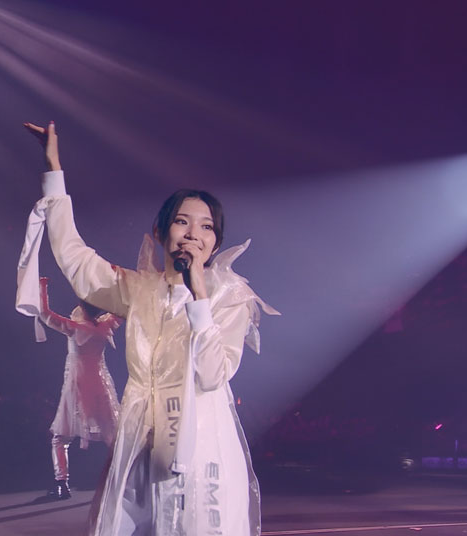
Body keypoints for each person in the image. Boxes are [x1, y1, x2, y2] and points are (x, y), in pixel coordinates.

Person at [22, 122, 278, 535]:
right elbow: (75, 259)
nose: (193, 234)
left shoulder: (231, 297)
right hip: (139, 437)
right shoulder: (140, 290)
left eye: (206, 227)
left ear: (215, 243)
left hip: (200, 444)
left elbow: (213, 374)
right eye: (182, 222)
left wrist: (199, 296)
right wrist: (54, 169)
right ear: (161, 232)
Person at [37, 276, 121, 500]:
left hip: (78, 385)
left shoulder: (74, 327)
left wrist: (42, 286)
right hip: (99, 382)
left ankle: (61, 483)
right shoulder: (105, 326)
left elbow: (45, 314)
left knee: (61, 437)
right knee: (112, 434)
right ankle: (123, 477)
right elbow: (121, 311)